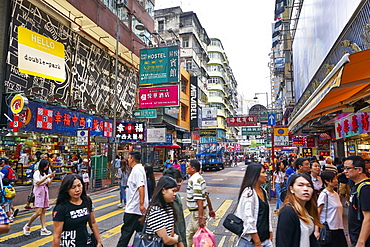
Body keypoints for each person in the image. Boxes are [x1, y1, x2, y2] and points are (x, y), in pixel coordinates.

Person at [52, 173, 102, 247]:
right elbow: (57, 236)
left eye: (79, 185)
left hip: (85, 243)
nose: (77, 190)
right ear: (67, 190)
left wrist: (99, 242)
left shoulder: (87, 201)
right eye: (73, 187)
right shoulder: (61, 208)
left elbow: (93, 223)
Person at [276, 173, 321, 247]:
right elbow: (283, 243)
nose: (306, 189)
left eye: (309, 186)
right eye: (300, 185)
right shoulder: (287, 212)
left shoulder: (306, 209)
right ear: (291, 189)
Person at [235, 163, 273, 247]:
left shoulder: (263, 191)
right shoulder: (249, 193)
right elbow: (248, 219)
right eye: (263, 172)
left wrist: (270, 233)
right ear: (255, 175)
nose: (266, 175)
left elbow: (266, 215)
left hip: (265, 240)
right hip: (251, 243)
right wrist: (257, 242)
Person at [116, 151, 149, 247]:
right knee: (142, 232)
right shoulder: (138, 169)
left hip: (134, 209)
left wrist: (141, 204)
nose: (128, 160)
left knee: (126, 233)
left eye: (129, 158)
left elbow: (141, 186)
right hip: (136, 209)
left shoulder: (137, 170)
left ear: (133, 159)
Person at [142, 176, 179, 246]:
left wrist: (173, 240)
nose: (175, 194)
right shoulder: (155, 211)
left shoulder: (169, 207)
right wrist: (176, 239)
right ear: (163, 191)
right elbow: (166, 240)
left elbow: (171, 234)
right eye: (173, 191)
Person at [185, 159, 215, 247]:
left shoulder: (195, 180)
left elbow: (199, 200)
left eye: (188, 167)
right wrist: (211, 209)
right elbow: (206, 195)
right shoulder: (198, 178)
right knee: (189, 235)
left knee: (201, 239)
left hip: (197, 213)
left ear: (193, 169)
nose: (186, 168)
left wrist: (201, 217)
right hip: (195, 214)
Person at [23, 159, 55, 236]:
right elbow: (37, 182)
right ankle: (27, 225)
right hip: (38, 193)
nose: (47, 167)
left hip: (44, 192)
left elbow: (48, 183)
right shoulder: (37, 173)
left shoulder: (44, 173)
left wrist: (52, 177)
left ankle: (43, 228)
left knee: (43, 211)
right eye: (46, 166)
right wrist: (47, 176)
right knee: (38, 212)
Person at [344, 155, 370, 246]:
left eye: (348, 168)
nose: (345, 171)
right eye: (344, 168)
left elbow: (368, 218)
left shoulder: (365, 188)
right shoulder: (356, 185)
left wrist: (361, 242)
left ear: (359, 170)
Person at [316, 171, 347, 247]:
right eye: (333, 179)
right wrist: (316, 230)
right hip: (329, 228)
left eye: (336, 178)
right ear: (326, 181)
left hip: (338, 227)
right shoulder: (324, 194)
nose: (336, 181)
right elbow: (317, 213)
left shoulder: (335, 194)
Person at [163, 167, 187, 247]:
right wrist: (179, 243)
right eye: (177, 181)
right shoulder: (167, 201)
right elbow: (174, 227)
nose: (179, 184)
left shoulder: (177, 196)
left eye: (180, 181)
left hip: (181, 236)